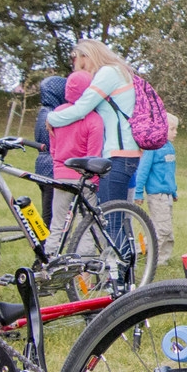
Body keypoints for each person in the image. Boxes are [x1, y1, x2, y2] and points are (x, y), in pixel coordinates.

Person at [46, 39, 140, 250]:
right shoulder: (120, 72)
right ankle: (123, 274)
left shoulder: (108, 73)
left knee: (111, 221)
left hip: (118, 154)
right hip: (125, 154)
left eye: (77, 61)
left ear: (86, 55)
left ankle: (120, 277)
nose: (78, 67)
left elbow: (81, 108)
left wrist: (51, 118)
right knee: (117, 219)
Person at [44, 71, 104, 256]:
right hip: (84, 177)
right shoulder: (94, 120)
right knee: (85, 223)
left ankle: (50, 258)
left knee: (58, 221)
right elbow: (93, 155)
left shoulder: (57, 115)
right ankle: (85, 263)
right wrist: (95, 181)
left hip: (61, 175)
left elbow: (53, 148)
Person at [134, 112, 180, 274]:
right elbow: (143, 171)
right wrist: (138, 192)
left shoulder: (170, 148)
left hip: (167, 194)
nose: (175, 132)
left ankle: (163, 258)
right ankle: (150, 255)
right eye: (172, 129)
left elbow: (170, 172)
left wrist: (173, 191)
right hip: (156, 194)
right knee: (162, 228)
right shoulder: (152, 148)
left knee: (165, 228)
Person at [33, 75, 67, 216]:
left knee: (48, 208)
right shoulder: (55, 116)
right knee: (52, 213)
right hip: (52, 167)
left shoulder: (43, 113)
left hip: (42, 165)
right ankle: (47, 237)